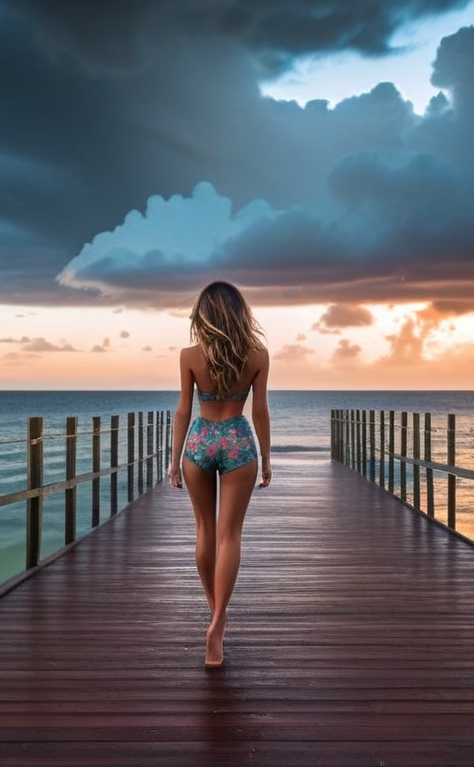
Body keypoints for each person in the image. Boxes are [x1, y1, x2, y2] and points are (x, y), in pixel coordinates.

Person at [168, 281, 271, 669]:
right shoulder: (258, 355)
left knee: (204, 532)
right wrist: (267, 455)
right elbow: (259, 411)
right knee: (230, 535)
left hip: (200, 440)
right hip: (238, 442)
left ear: (204, 314)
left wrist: (174, 460)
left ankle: (216, 616)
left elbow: (182, 410)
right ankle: (217, 622)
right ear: (240, 313)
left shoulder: (189, 355)